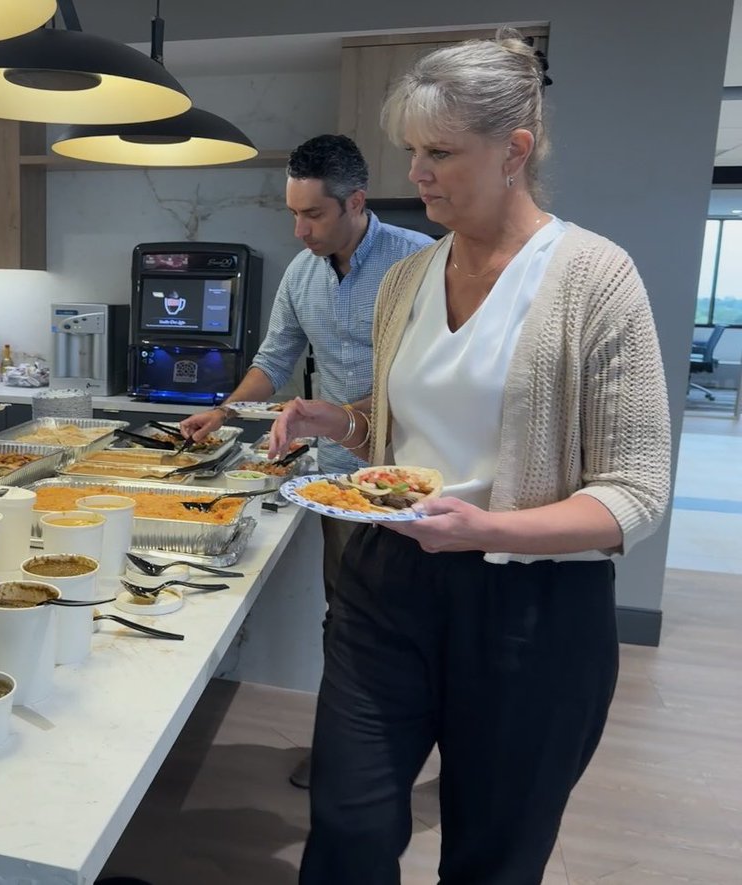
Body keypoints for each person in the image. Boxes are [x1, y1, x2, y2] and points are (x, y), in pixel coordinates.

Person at [267, 31, 671, 884]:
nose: (416, 173)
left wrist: (492, 525)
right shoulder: (408, 282)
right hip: (390, 583)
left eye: (441, 152)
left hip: (531, 608)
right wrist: (338, 420)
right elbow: (402, 433)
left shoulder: (594, 278)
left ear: (514, 151)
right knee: (347, 826)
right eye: (413, 150)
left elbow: (635, 492)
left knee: (492, 854)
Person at [179, 133, 433, 788]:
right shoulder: (301, 274)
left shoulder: (422, 264)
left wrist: (351, 413)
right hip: (334, 481)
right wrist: (225, 410)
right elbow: (273, 361)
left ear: (355, 202)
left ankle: (401, 758)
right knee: (344, 613)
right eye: (292, 213)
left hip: (408, 478)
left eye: (313, 215)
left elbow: (432, 377)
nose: (299, 230)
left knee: (409, 622)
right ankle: (349, 753)